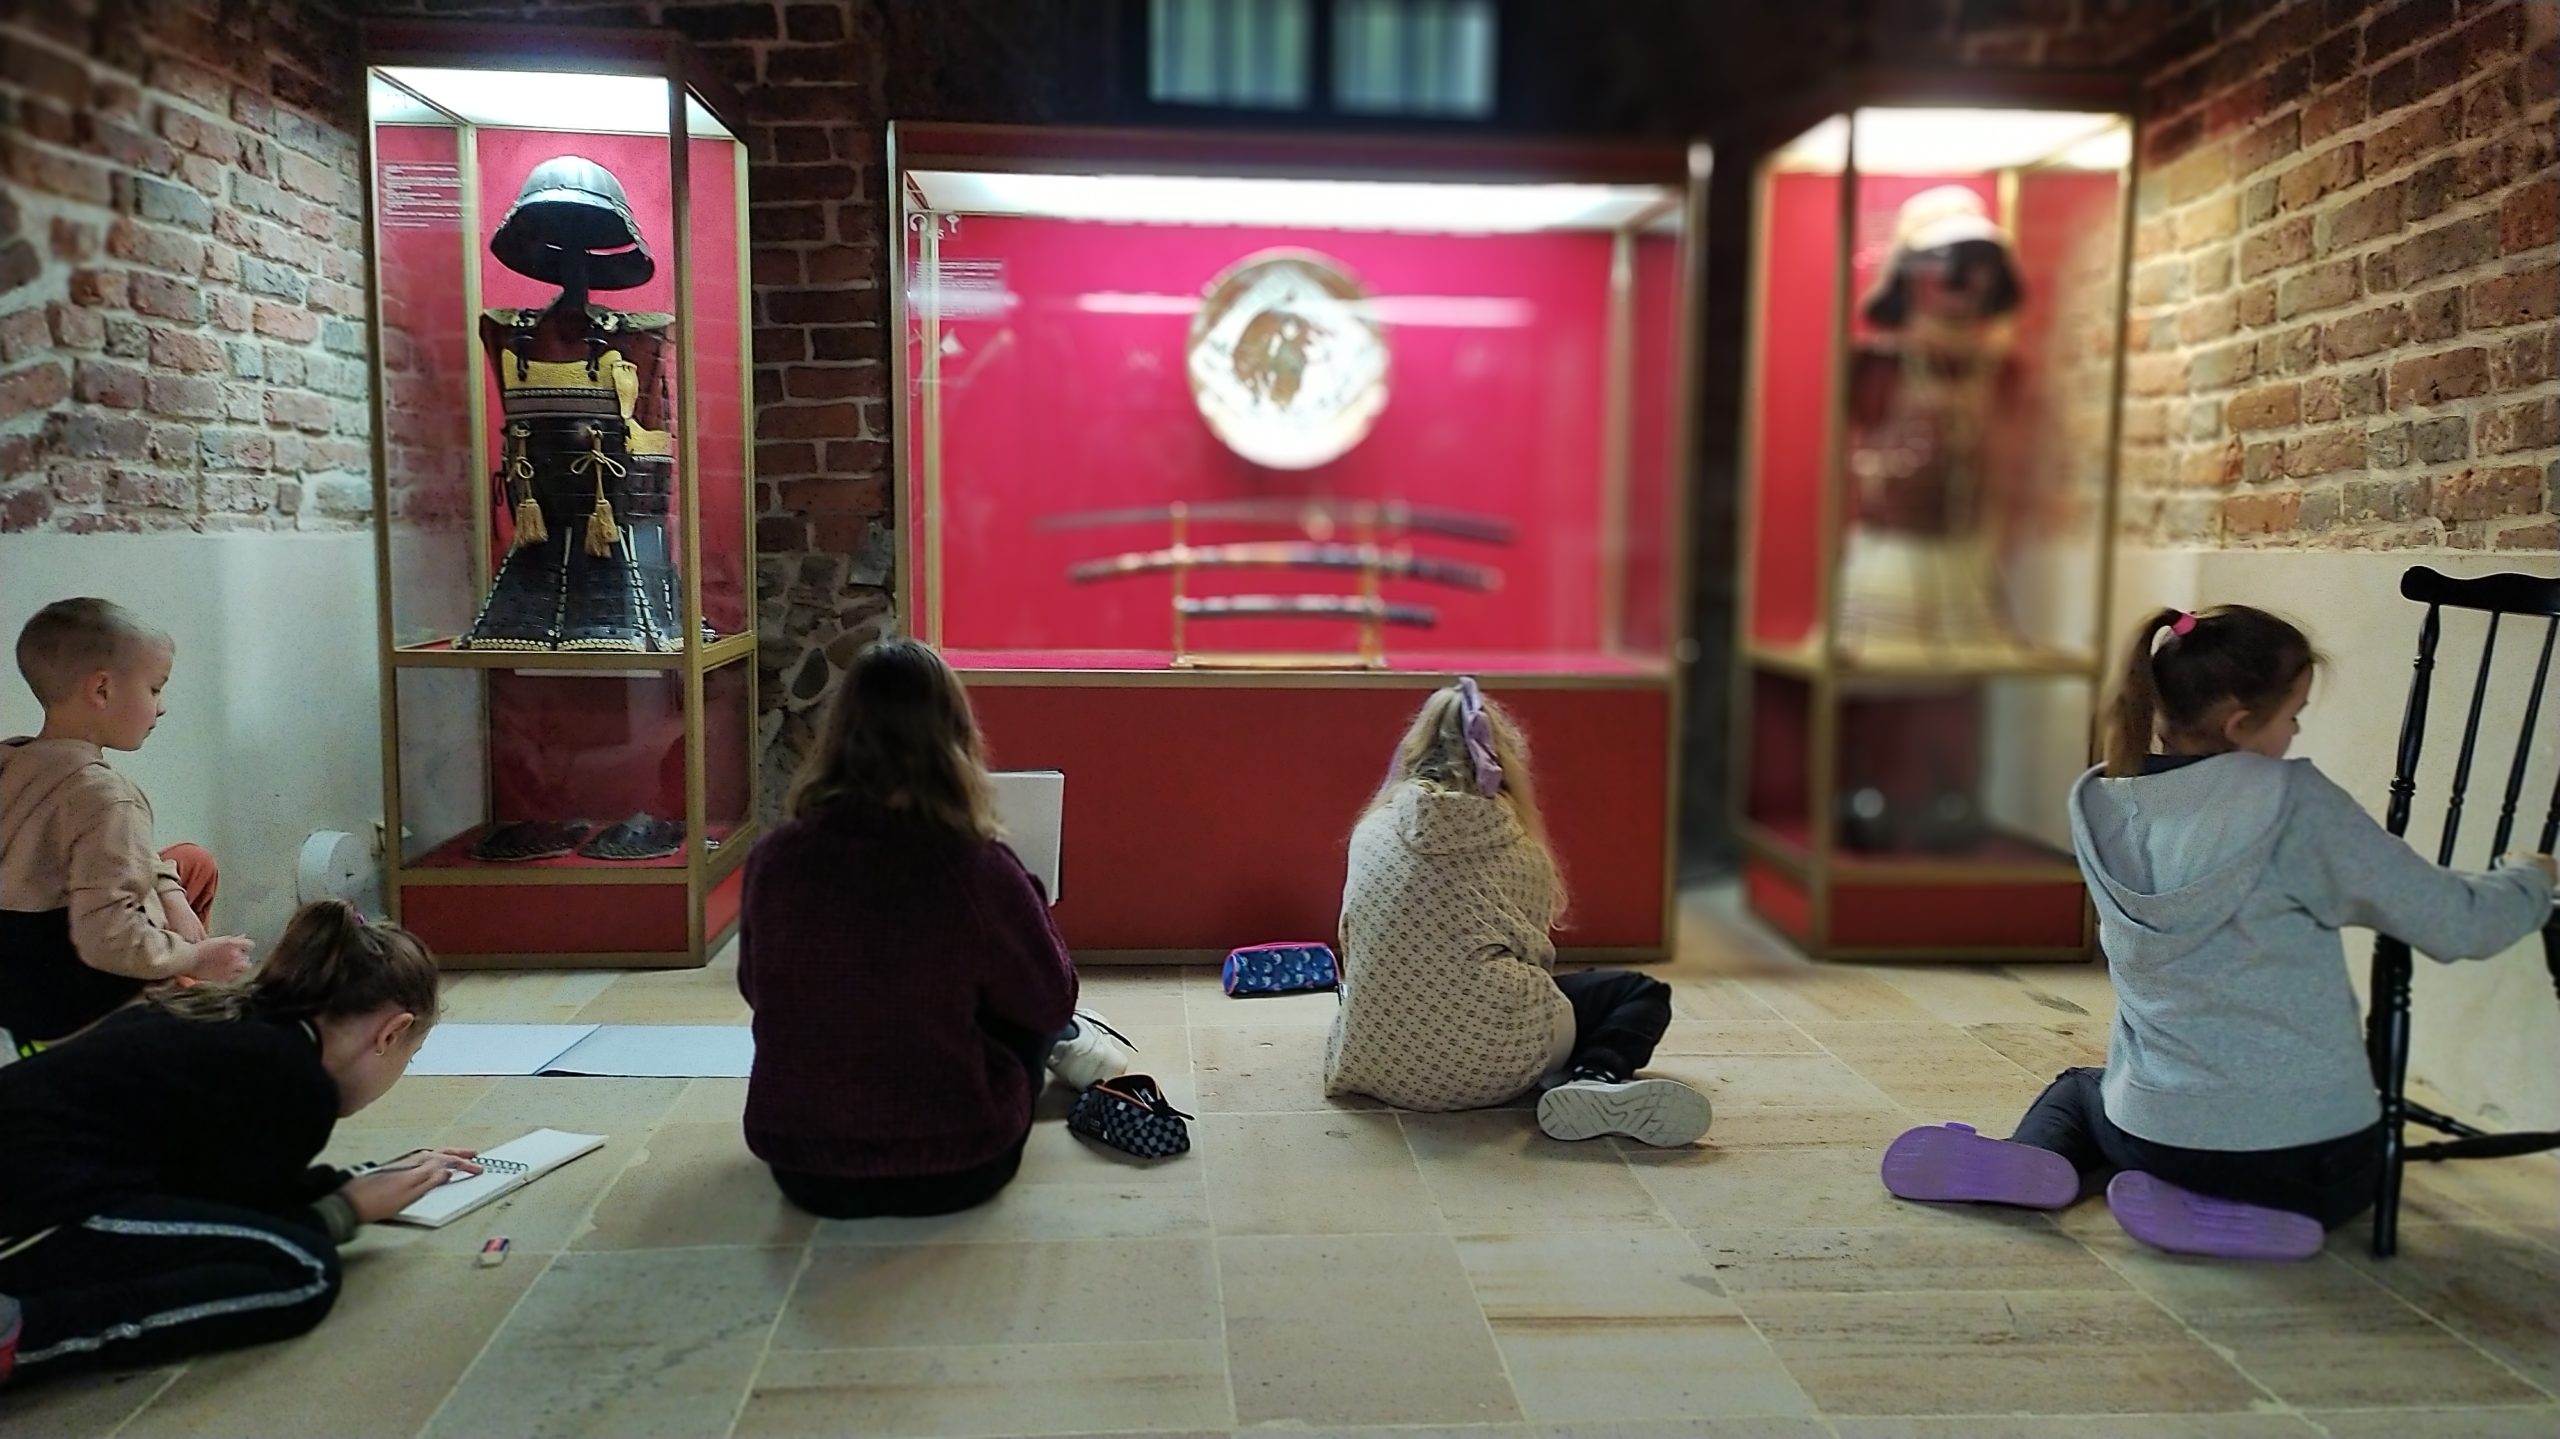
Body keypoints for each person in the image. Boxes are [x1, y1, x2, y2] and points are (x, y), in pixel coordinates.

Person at [1881, 605, 2557, 1260]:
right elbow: (2456, 923)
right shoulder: (2294, 804)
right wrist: (2529, 878)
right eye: (2292, 716)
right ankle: (2251, 1213)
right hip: (2297, 1156)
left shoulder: (2101, 802)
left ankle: (2040, 1158)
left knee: (2080, 1090)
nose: (2294, 733)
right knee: (2368, 1168)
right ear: (2239, 723)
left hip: (2151, 1135)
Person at [0, 900, 473, 1386]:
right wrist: (343, 1210)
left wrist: (354, 1181)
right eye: (411, 1056)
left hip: (51, 1188)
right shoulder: (295, 1081)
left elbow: (222, 1197)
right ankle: (20, 1334)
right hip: (39, 1214)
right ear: (391, 1033)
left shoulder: (247, 1028)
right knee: (303, 1268)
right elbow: (239, 1222)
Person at [738, 638, 1129, 1220]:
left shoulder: (774, 860)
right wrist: (1022, 896)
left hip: (803, 1168)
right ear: (955, 738)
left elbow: (756, 988)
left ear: (837, 735)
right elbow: (1049, 1000)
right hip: (959, 1164)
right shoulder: (976, 867)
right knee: (1028, 1001)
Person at [1325, 678, 1710, 1147]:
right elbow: (1534, 960)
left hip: (1376, 1059)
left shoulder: (1371, 833)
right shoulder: (1518, 850)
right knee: (1641, 993)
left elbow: (1353, 940)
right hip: (1489, 1069)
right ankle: (1594, 1075)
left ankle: (1563, 1074)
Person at [3, 599, 251, 1059]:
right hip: (74, 1009)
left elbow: (113, 859)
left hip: (18, 978)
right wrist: (197, 957)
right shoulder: (106, 797)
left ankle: (174, 980)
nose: (162, 707)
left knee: (190, 862)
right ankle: (168, 1000)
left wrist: (171, 893)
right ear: (101, 689)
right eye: (155, 689)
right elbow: (108, 937)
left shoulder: (15, 760)